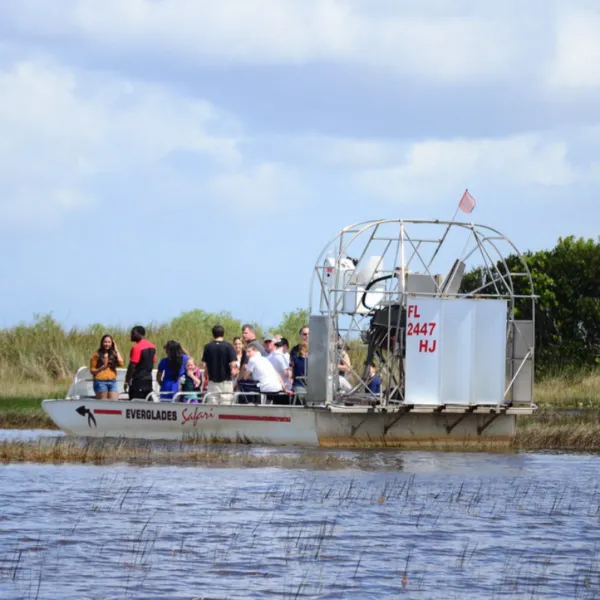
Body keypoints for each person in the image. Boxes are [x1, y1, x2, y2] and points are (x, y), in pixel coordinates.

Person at [201, 325, 238, 403]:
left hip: (212, 381)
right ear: (223, 333)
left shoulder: (208, 347)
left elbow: (204, 364)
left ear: (213, 334)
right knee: (226, 405)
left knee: (212, 406)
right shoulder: (228, 346)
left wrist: (206, 374)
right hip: (226, 381)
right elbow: (233, 363)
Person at [125, 326, 156, 401]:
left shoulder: (137, 347)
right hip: (149, 379)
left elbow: (132, 366)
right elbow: (153, 360)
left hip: (138, 380)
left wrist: (127, 380)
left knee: (136, 402)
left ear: (140, 334)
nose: (131, 335)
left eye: (133, 333)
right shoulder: (152, 346)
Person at [89, 334, 124, 400]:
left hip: (112, 381)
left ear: (112, 343)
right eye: (105, 342)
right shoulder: (96, 354)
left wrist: (116, 350)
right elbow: (92, 370)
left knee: (114, 402)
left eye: (109, 342)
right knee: (103, 403)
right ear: (102, 343)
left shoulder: (114, 354)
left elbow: (121, 363)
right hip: (100, 381)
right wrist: (101, 368)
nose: (107, 344)